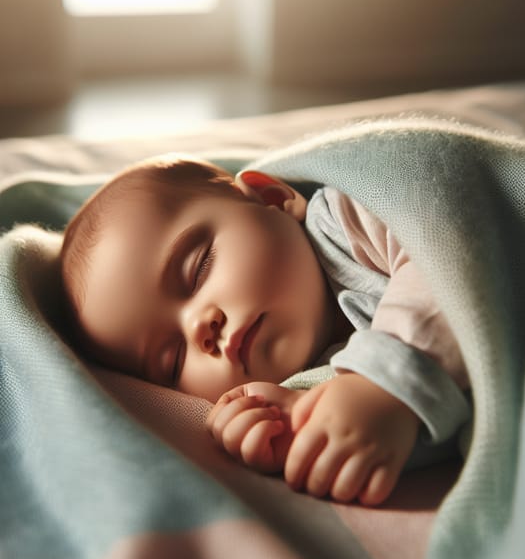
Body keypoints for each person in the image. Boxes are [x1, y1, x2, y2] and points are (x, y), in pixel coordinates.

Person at [60, 156, 471, 505]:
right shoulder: (307, 383)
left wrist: (383, 388)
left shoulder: (349, 216)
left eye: (198, 267)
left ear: (271, 198)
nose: (201, 328)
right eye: (173, 360)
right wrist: (301, 429)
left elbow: (452, 254)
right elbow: (426, 424)